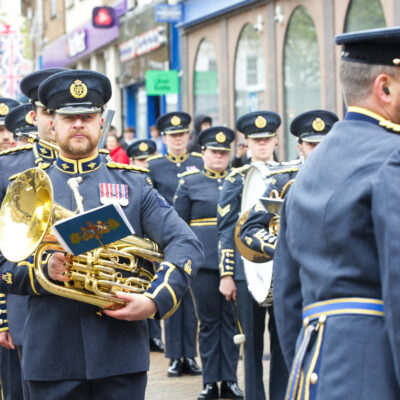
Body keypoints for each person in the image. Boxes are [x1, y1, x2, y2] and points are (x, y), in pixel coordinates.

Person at [0, 69, 203, 400]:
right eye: (68, 117)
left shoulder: (134, 185)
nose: (78, 124)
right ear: (53, 123)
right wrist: (41, 272)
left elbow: (186, 243)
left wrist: (154, 300)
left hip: (120, 354)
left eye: (87, 116)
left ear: (100, 123)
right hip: (50, 355)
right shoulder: (26, 187)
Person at [274, 27, 400, 400]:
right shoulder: (391, 157)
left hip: (314, 368)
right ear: (385, 87)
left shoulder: (310, 167)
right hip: (378, 370)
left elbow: (287, 298)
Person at [218, 111, 287, 400]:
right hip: (248, 271)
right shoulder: (237, 178)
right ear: (246, 143)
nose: (262, 145)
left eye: (267, 139)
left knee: (282, 341)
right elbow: (226, 229)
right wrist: (226, 273)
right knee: (252, 342)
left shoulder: (287, 174)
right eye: (256, 141)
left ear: (275, 141)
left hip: (281, 269)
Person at [174, 126, 243, 400]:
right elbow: (178, 225)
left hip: (233, 264)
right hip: (203, 265)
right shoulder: (190, 182)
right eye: (214, 152)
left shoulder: (238, 180)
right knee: (208, 323)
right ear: (202, 153)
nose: (219, 157)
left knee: (232, 323)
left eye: (224, 153)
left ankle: (230, 380)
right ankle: (209, 381)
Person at [147, 111, 203, 377]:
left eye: (182, 135)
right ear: (164, 138)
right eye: (173, 136)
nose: (178, 140)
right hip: (164, 239)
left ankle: (190, 355)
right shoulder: (155, 165)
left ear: (188, 136)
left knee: (190, 302)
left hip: (190, 238)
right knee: (168, 294)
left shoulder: (199, 162)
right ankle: (173, 357)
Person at [238, 109, 338, 257]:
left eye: (322, 144)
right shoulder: (283, 180)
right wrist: (284, 248)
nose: (318, 150)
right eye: (311, 144)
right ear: (300, 148)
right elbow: (250, 228)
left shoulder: (346, 176)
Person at [127, 139, 164, 353]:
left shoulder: (150, 179)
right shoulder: (128, 178)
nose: (145, 163)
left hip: (154, 241)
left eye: (147, 160)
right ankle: (149, 335)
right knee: (139, 285)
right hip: (136, 244)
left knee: (153, 287)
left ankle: (155, 336)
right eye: (141, 160)